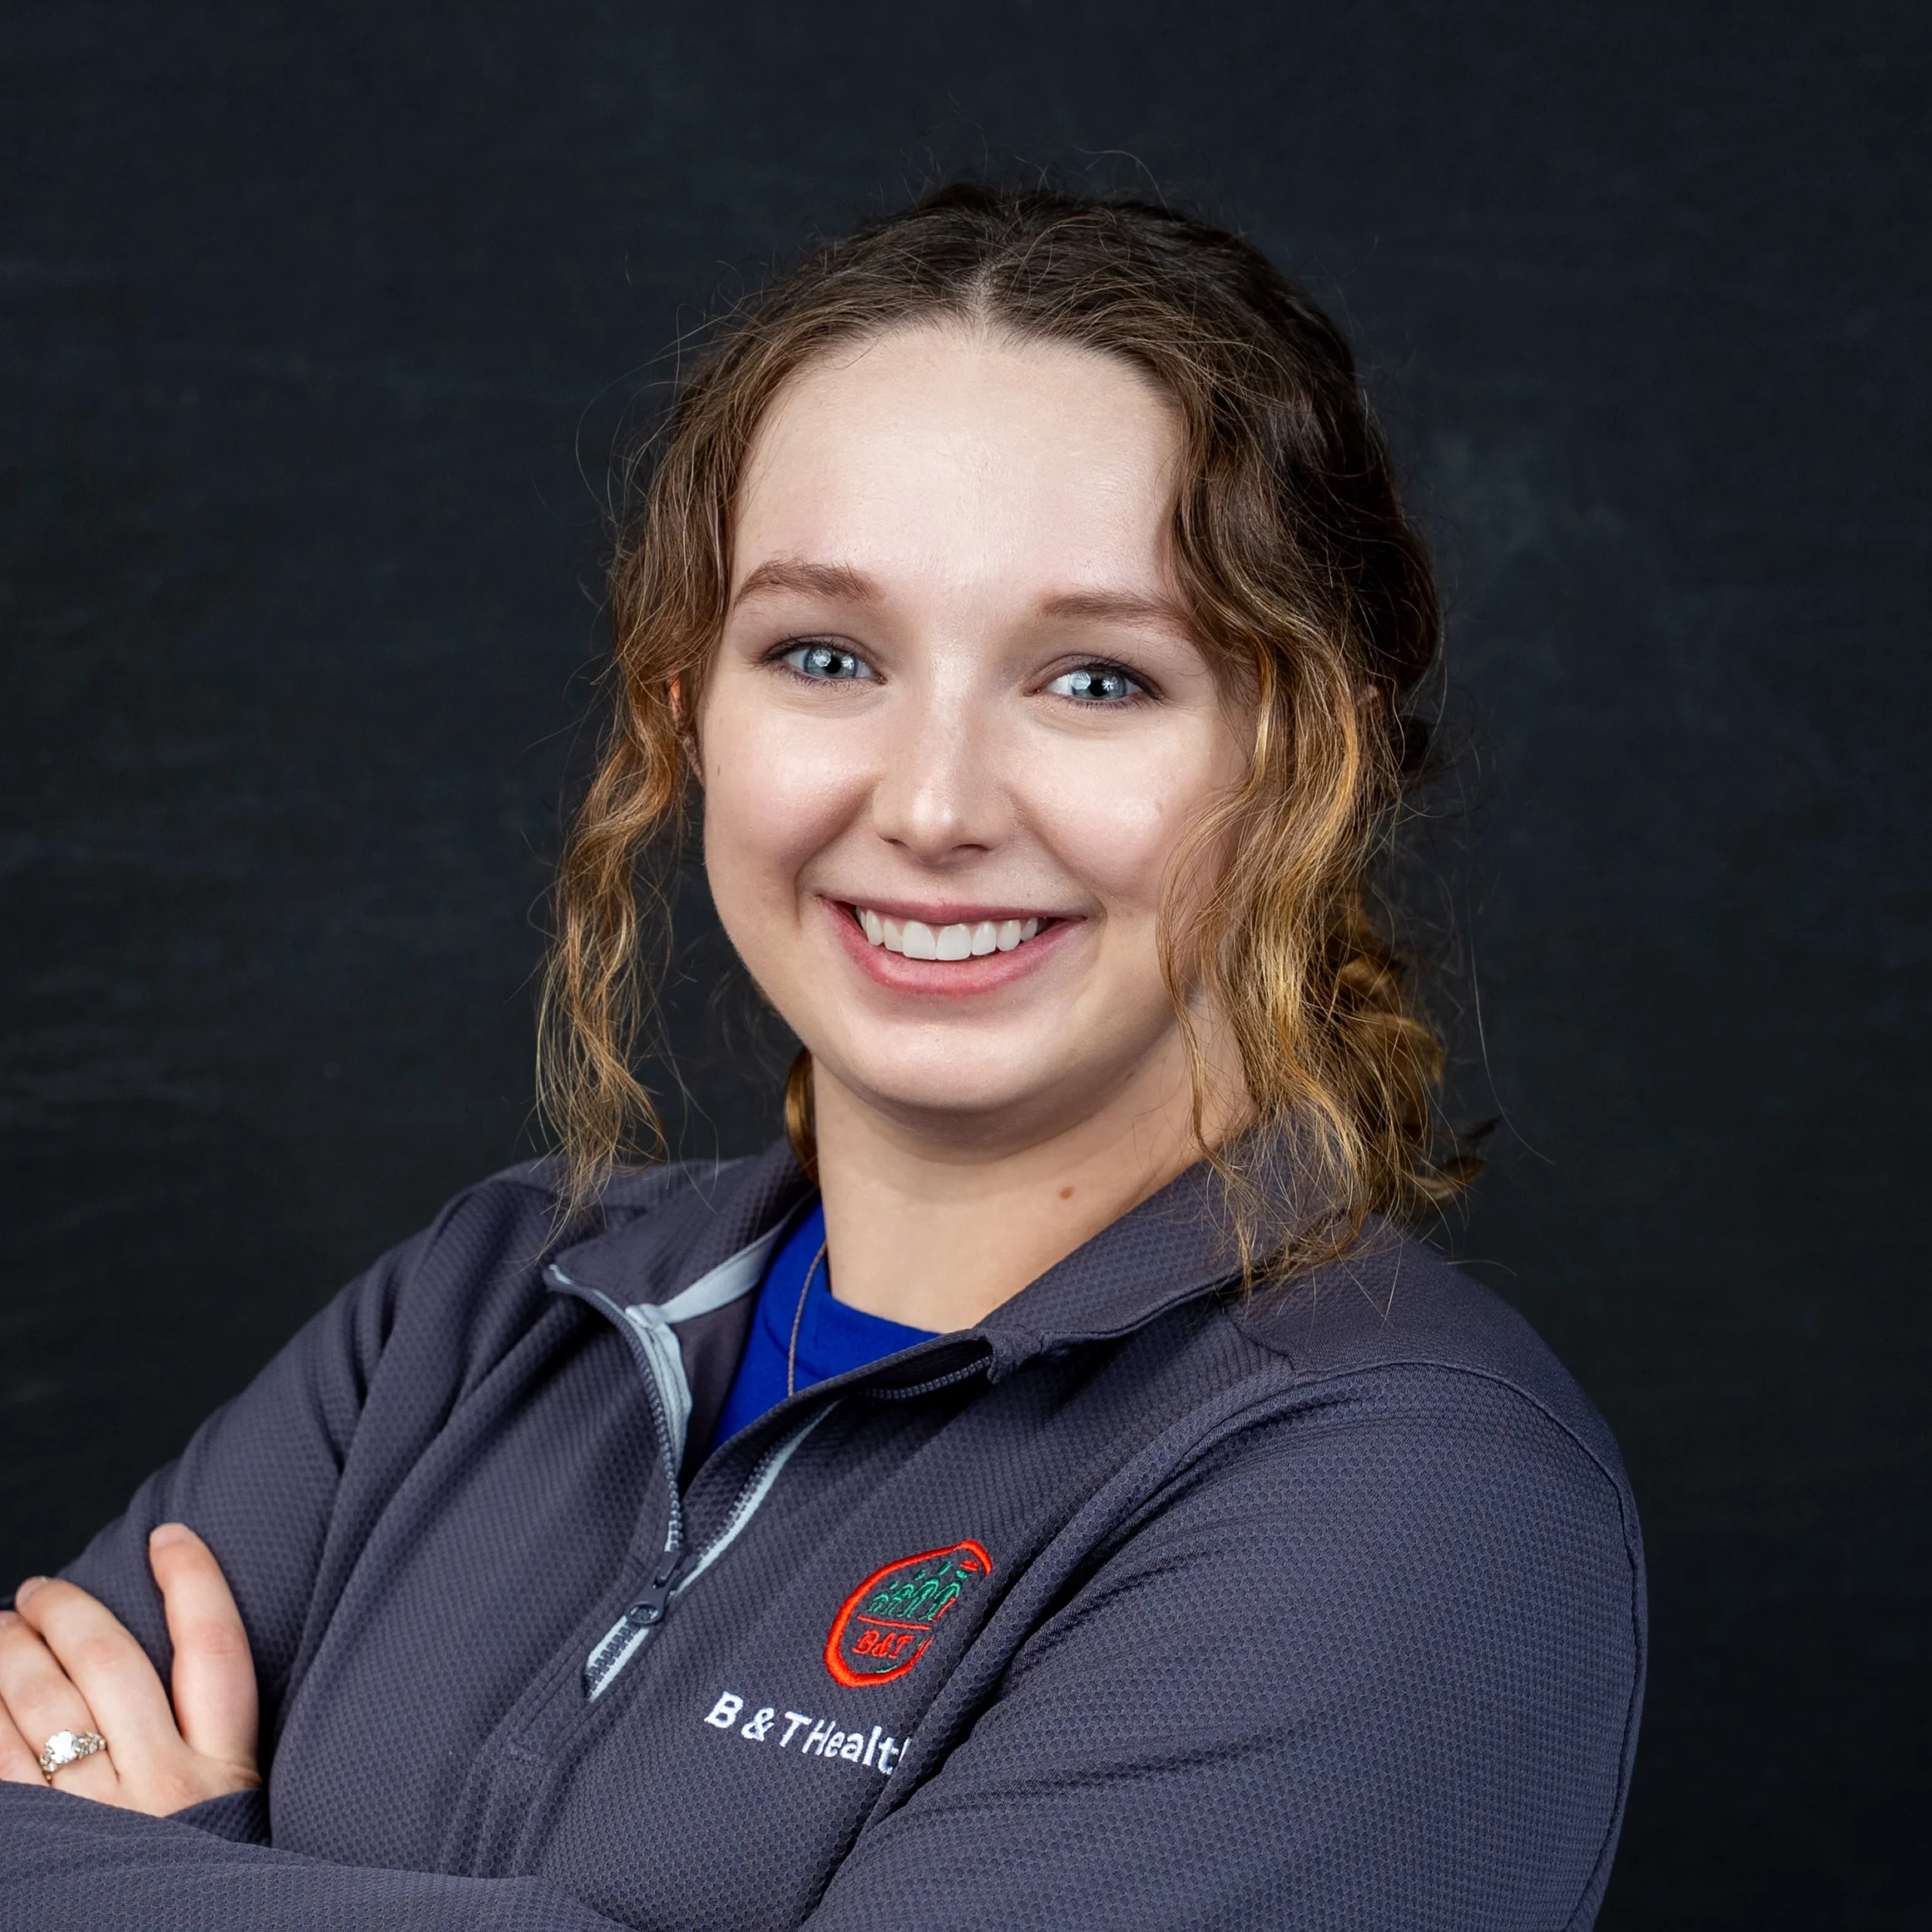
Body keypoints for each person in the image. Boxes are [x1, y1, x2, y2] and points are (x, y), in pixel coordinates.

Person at [0, 184, 1645, 1930]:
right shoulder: (477, 1314)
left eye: (1094, 678)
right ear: (680, 702)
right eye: (823, 653)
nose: (930, 804)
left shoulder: (1406, 1500)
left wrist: (165, 1862)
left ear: (1313, 754)